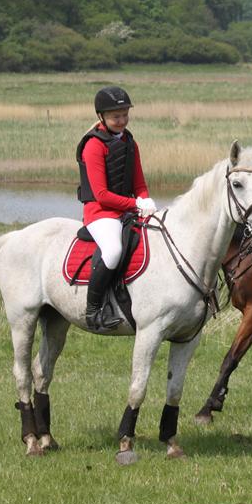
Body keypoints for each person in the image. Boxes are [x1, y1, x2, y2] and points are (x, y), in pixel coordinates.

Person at [76, 86, 157, 333]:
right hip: (100, 212)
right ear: (102, 117)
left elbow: (139, 184)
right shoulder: (93, 146)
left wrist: (146, 201)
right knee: (112, 250)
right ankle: (93, 311)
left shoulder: (130, 142)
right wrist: (136, 204)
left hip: (127, 211)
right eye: (116, 117)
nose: (121, 121)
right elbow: (101, 194)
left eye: (124, 115)